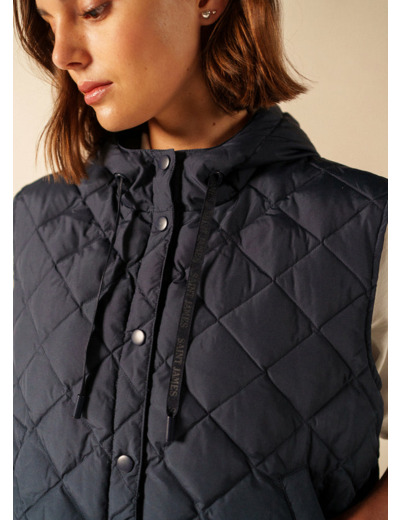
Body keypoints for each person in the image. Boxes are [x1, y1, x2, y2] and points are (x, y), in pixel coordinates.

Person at [13, 1, 388, 519]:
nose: (61, 54)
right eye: (48, 20)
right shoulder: (28, 220)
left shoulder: (367, 224)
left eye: (93, 10)